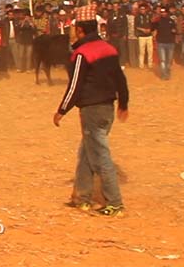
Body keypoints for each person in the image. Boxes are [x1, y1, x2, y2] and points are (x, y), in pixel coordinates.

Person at [54, 19, 129, 217]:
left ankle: (115, 204)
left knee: (100, 157)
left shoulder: (81, 54)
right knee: (86, 153)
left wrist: (62, 109)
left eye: (73, 30)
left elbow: (75, 85)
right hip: (107, 108)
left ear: (79, 31)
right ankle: (82, 198)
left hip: (91, 110)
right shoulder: (109, 49)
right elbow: (120, 78)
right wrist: (124, 103)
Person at [152, 7, 177, 80]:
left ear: (167, 13)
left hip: (170, 43)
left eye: (164, 12)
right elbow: (152, 29)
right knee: (163, 60)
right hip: (161, 43)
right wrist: (153, 22)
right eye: (161, 12)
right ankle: (164, 75)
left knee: (169, 61)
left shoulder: (171, 21)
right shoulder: (157, 21)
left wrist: (174, 31)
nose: (163, 13)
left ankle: (167, 73)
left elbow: (175, 30)